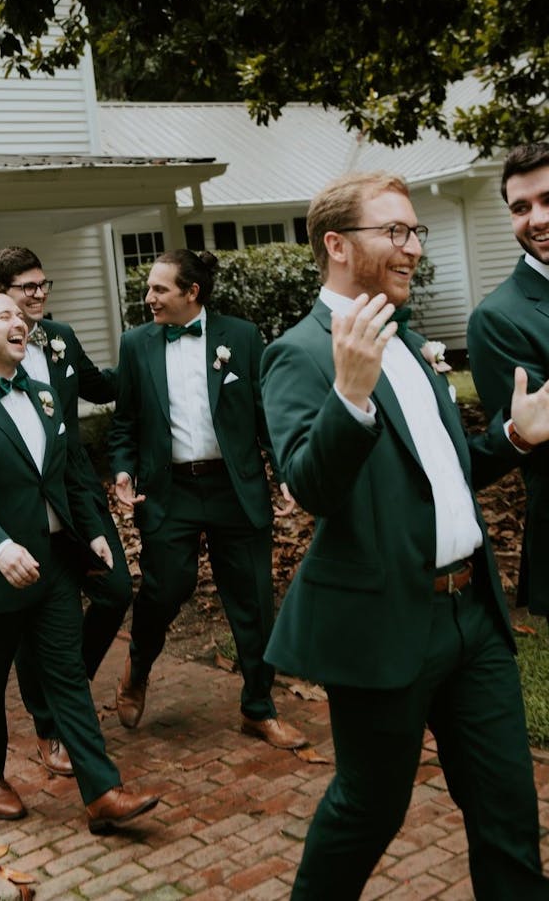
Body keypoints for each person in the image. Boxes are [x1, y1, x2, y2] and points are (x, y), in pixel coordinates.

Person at [260, 171, 549, 899]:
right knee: (370, 807)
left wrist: (514, 437)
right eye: (395, 231)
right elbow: (309, 486)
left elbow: (441, 476)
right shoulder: (297, 353)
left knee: (509, 810)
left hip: (473, 617)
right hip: (387, 620)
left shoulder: (411, 337)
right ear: (336, 244)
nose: (413, 247)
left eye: (415, 231)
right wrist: (349, 394)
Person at [0, 286, 159, 831]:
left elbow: (61, 472)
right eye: (3, 315)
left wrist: (92, 533)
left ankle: (101, 793)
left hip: (54, 563)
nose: (19, 322)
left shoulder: (44, 395)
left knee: (67, 678)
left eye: (20, 315)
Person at [109, 249, 306, 750]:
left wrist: (283, 472)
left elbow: (266, 413)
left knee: (253, 601)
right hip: (169, 489)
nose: (147, 297)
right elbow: (125, 422)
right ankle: (138, 666)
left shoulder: (240, 337)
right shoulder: (135, 344)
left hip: (233, 488)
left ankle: (258, 708)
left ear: (191, 293)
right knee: (165, 588)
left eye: (159, 289)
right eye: (149, 288)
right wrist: (124, 470)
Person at [0, 246, 132, 778]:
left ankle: (64, 684)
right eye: (24, 289)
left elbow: (100, 386)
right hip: (14, 506)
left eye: (42, 285)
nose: (37, 296)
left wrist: (151, 363)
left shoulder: (58, 338)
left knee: (115, 590)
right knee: (28, 620)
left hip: (72, 489)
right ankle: (50, 723)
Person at [468, 142, 549, 624]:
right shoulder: (498, 318)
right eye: (521, 207)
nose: (537, 218)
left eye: (547, 200)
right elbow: (536, 441)